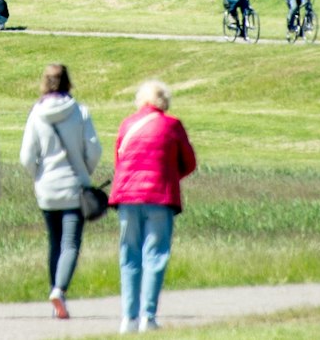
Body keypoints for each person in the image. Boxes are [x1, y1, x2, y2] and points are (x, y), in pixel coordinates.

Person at [18, 63, 102, 320]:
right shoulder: (80, 112)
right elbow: (94, 150)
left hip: (47, 189)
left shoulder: (36, 113)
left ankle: (55, 294)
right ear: (68, 82)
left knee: (54, 243)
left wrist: (38, 176)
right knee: (70, 244)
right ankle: (59, 290)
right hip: (74, 187)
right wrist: (83, 171)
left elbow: (26, 156)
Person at [111, 80, 197, 334]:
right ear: (164, 101)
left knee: (129, 256)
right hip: (160, 197)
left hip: (127, 197)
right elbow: (189, 162)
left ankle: (128, 317)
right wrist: (169, 175)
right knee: (155, 256)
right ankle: (148, 316)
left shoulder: (128, 124)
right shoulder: (172, 125)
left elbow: (119, 160)